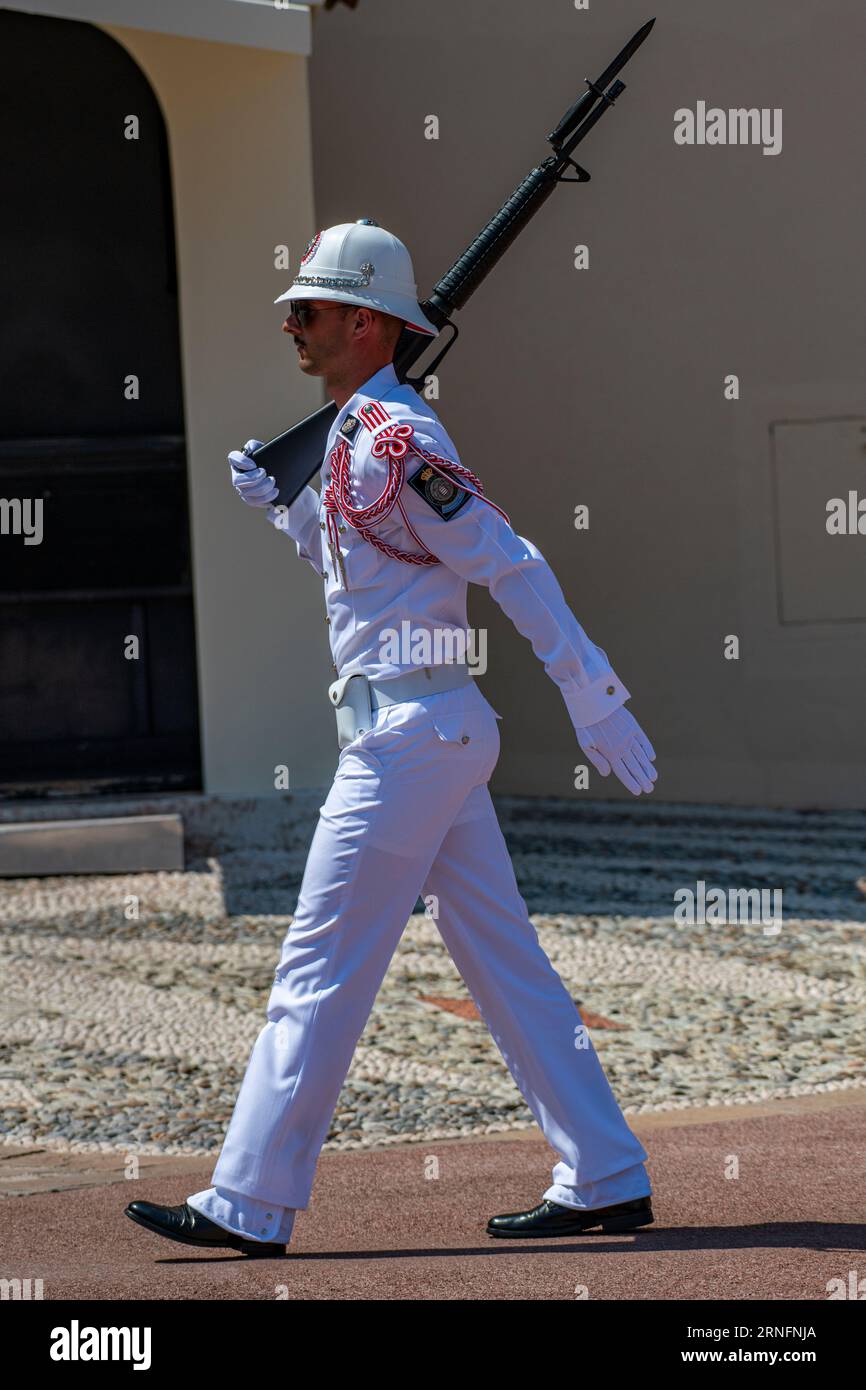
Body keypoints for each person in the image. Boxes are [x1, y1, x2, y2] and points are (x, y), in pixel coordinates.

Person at [125, 221, 658, 1258]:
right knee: (500, 959)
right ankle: (603, 1170)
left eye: (312, 308)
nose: (294, 320)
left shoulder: (395, 439)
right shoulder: (355, 436)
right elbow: (371, 585)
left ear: (365, 323)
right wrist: (284, 508)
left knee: (319, 960)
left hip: (410, 737)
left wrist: (589, 690)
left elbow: (507, 559)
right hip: (425, 729)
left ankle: (248, 1201)